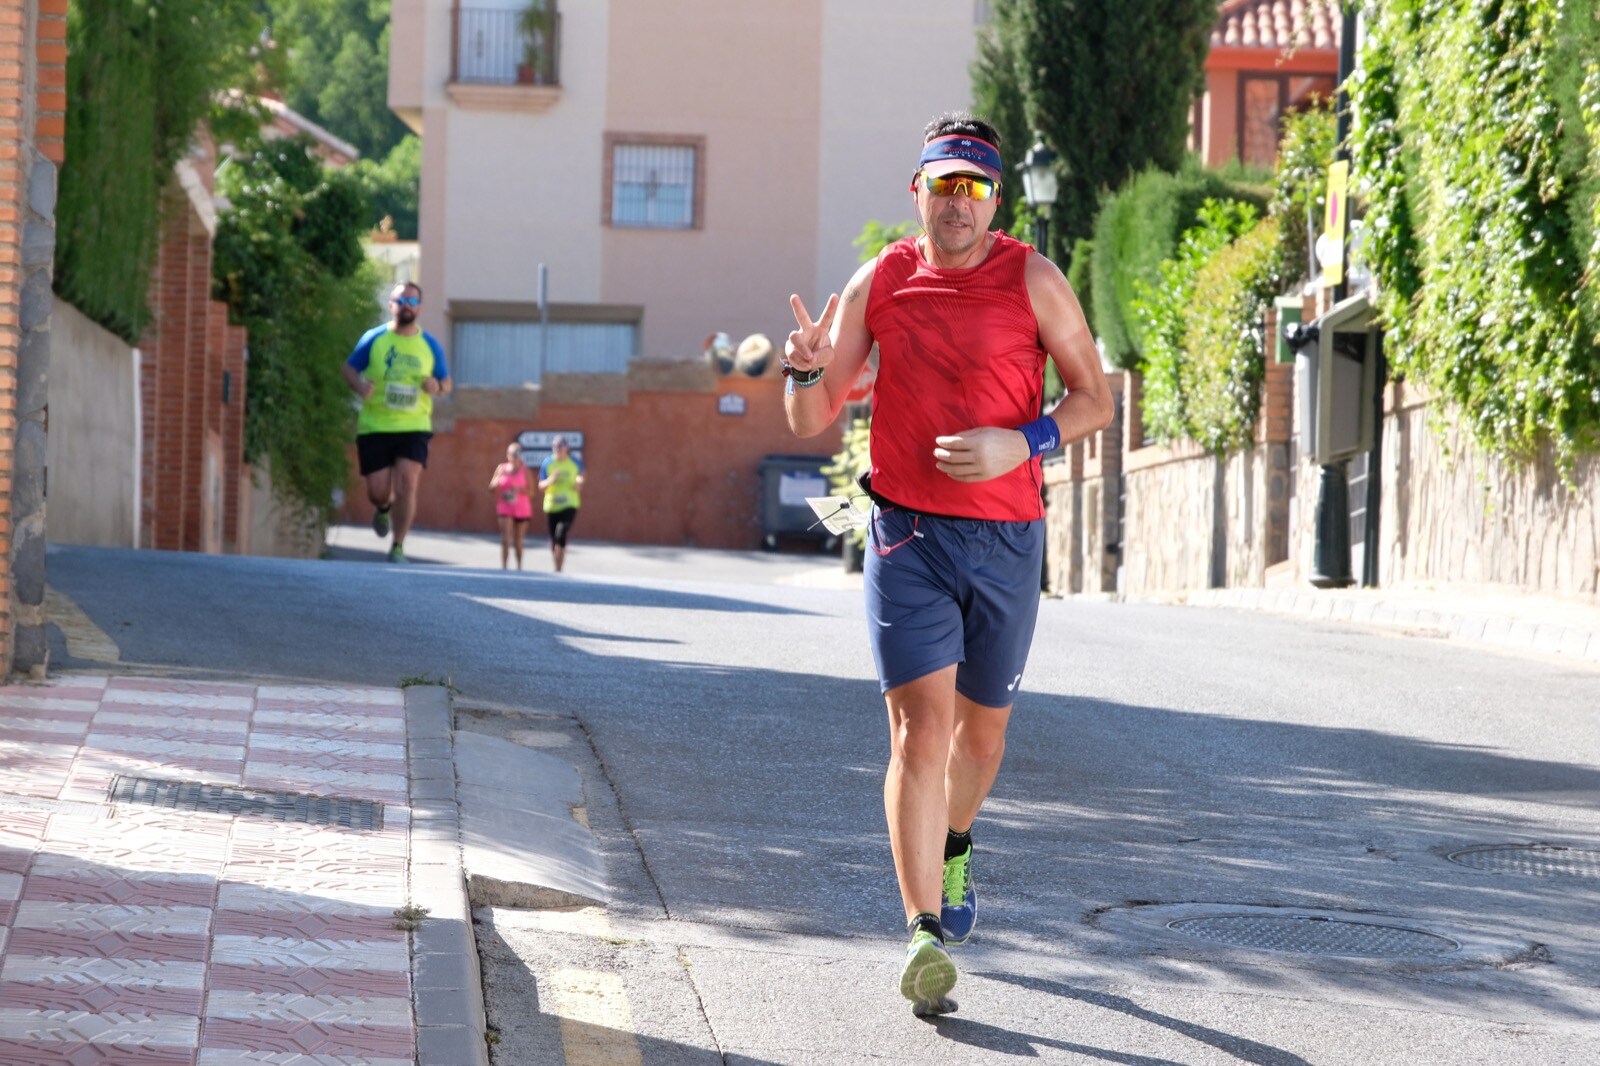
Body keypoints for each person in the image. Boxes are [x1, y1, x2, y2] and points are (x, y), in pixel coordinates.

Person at [783, 112, 1112, 1017]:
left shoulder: (1034, 280)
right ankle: (924, 931)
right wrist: (805, 371)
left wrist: (1025, 441)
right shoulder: (881, 280)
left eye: (973, 186)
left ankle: (957, 841)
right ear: (916, 190)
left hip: (1007, 538)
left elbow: (1095, 401)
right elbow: (809, 420)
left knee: (984, 738)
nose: (956, 201)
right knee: (917, 735)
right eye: (943, 183)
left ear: (994, 199)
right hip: (906, 535)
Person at [341, 281, 452, 563]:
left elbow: (447, 382)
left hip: (413, 426)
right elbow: (348, 368)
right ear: (391, 305)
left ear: (420, 308)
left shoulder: (429, 345)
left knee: (407, 483)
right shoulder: (374, 338)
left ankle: (398, 546)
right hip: (375, 425)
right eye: (401, 300)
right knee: (377, 492)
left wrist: (435, 387)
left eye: (412, 301)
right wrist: (359, 386)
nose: (406, 306)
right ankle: (383, 508)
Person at [538, 436, 584, 572]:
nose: (558, 450)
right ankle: (556, 565)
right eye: (555, 447)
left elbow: (580, 476)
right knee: (554, 538)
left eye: (560, 447)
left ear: (567, 449)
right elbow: (541, 485)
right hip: (552, 504)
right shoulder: (548, 463)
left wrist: (579, 482)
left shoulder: (574, 462)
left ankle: (559, 567)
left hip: (570, 503)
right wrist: (551, 479)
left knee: (561, 532)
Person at [489, 442, 534, 569]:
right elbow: (491, 487)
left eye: (518, 453)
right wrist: (496, 482)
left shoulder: (525, 471)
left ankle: (519, 566)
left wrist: (520, 489)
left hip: (522, 509)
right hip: (505, 506)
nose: (515, 456)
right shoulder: (501, 468)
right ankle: (504, 566)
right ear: (508, 454)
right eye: (513, 454)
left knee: (518, 541)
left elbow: (531, 492)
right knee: (506, 538)